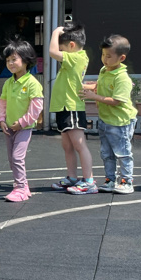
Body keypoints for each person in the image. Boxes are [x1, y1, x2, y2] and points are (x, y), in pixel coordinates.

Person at [81, 35, 137, 194]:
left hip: (120, 122)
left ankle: (126, 181)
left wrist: (94, 97)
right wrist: (90, 87)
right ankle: (110, 180)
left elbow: (117, 101)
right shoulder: (104, 70)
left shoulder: (122, 78)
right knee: (106, 153)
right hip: (105, 120)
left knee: (123, 153)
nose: (104, 59)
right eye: (103, 55)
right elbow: (101, 85)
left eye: (109, 56)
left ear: (121, 58)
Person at [48, 22, 96, 194]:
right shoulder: (73, 59)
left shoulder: (77, 57)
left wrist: (55, 32)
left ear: (72, 45)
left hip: (71, 107)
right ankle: (72, 177)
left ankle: (89, 181)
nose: (60, 52)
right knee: (67, 146)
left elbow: (52, 52)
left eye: (62, 48)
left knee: (79, 145)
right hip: (64, 107)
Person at [0, 39, 43, 202]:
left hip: (24, 128)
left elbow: (36, 108)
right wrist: (1, 120)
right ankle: (23, 185)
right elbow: (2, 102)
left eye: (14, 59)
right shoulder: (8, 83)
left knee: (17, 157)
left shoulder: (32, 83)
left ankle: (21, 188)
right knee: (12, 159)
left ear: (26, 60)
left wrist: (22, 123)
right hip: (9, 128)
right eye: (8, 60)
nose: (10, 63)